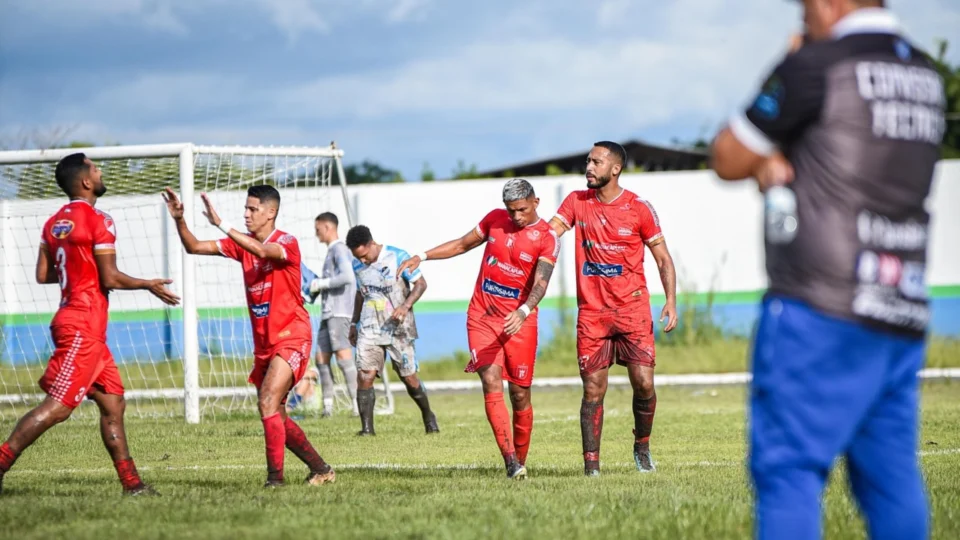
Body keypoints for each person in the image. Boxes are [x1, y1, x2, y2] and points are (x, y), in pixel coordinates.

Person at [711, 1, 944, 538]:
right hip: (898, 303)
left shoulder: (817, 65)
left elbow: (727, 156)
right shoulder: (923, 73)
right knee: (889, 480)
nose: (802, 20)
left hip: (819, 304)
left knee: (788, 472)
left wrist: (785, 67)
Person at [0, 153, 180, 496]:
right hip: (83, 324)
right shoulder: (99, 219)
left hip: (76, 321)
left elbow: (43, 274)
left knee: (113, 403)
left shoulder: (53, 222)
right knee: (58, 407)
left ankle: (132, 485)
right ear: (85, 181)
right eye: (96, 169)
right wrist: (148, 284)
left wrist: (79, 270)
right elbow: (109, 277)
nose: (100, 172)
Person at [163, 184, 335, 488]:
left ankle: (275, 481)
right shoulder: (241, 244)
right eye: (245, 208)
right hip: (264, 342)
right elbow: (194, 246)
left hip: (292, 335)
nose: (246, 214)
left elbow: (262, 251)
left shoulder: (287, 242)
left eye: (252, 209)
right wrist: (179, 220)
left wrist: (221, 223)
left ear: (271, 212)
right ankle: (320, 468)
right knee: (276, 413)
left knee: (267, 401)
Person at [397, 179, 558, 479]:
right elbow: (462, 244)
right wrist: (423, 256)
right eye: (511, 210)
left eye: (522, 210)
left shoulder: (548, 238)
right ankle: (511, 462)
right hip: (482, 317)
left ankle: (521, 459)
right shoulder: (494, 220)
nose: (516, 216)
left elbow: (541, 283)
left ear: (536, 202)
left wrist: (523, 310)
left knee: (520, 394)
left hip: (520, 321)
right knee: (490, 380)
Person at [549, 141, 679, 476]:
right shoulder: (576, 202)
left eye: (596, 162)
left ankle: (642, 448)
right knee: (593, 388)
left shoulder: (639, 208)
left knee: (644, 383)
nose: (589, 167)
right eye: (588, 161)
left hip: (632, 310)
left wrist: (670, 301)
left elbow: (663, 259)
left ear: (615, 168)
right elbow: (551, 232)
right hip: (592, 314)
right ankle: (591, 467)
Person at [345, 225, 438, 436]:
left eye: (364, 255)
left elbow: (421, 284)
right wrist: (353, 323)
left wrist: (405, 306)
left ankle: (428, 416)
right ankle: (367, 430)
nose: (362, 261)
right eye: (358, 257)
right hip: (370, 325)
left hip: (399, 326)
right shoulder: (356, 264)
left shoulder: (397, 256)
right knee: (365, 374)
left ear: (371, 244)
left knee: (409, 377)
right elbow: (360, 294)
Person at [290, 212, 359, 417]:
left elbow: (347, 277)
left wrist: (321, 283)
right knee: (321, 358)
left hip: (340, 312)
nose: (316, 233)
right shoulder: (331, 252)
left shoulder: (340, 249)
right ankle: (327, 408)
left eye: (318, 229)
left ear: (328, 227)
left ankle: (358, 405)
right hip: (328, 313)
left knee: (343, 356)